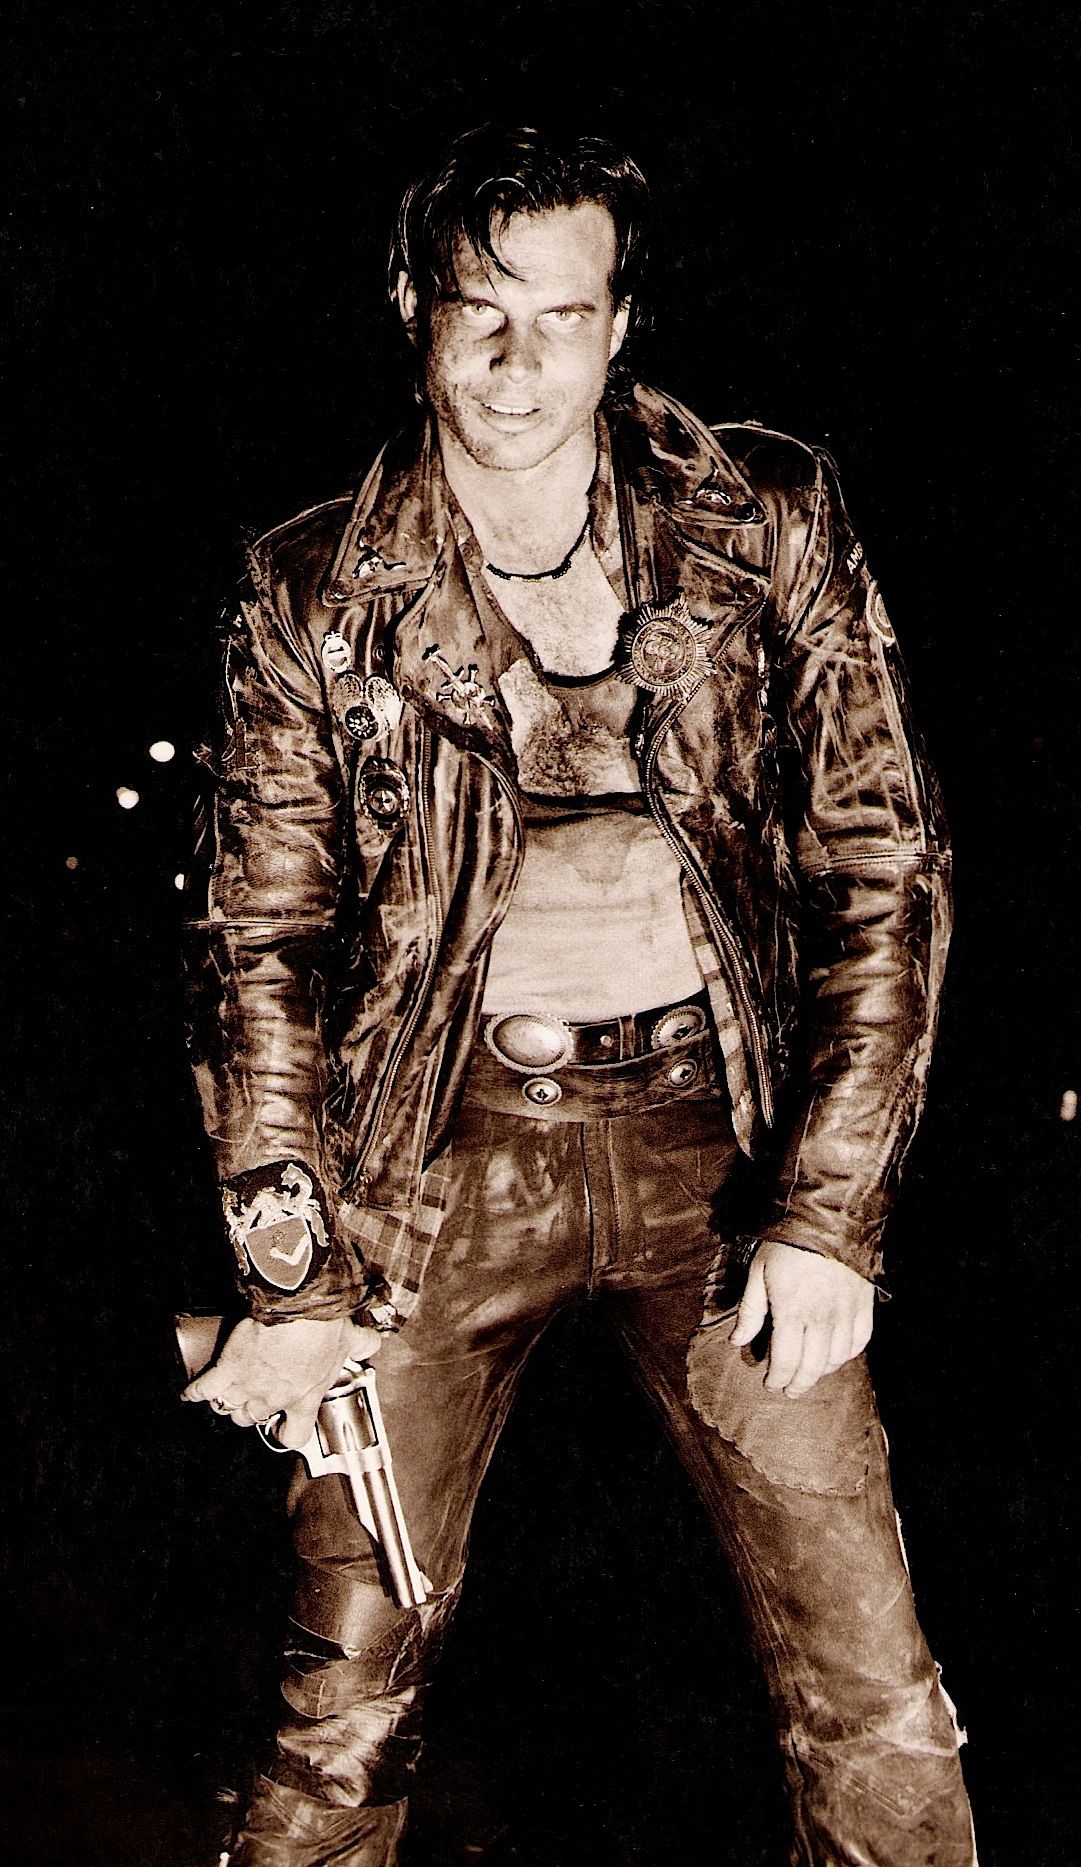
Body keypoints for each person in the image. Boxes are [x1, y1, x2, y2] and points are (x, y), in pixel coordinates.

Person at [181, 123, 977, 1866]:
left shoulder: (763, 520)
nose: (516, 363)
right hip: (435, 1164)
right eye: (478, 313)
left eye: (561, 316)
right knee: (339, 1713)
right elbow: (257, 945)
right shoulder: (311, 590)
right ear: (411, 309)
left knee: (874, 1693)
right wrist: (292, 1281)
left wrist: (827, 1218)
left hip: (722, 1153)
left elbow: (882, 866)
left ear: (619, 326)